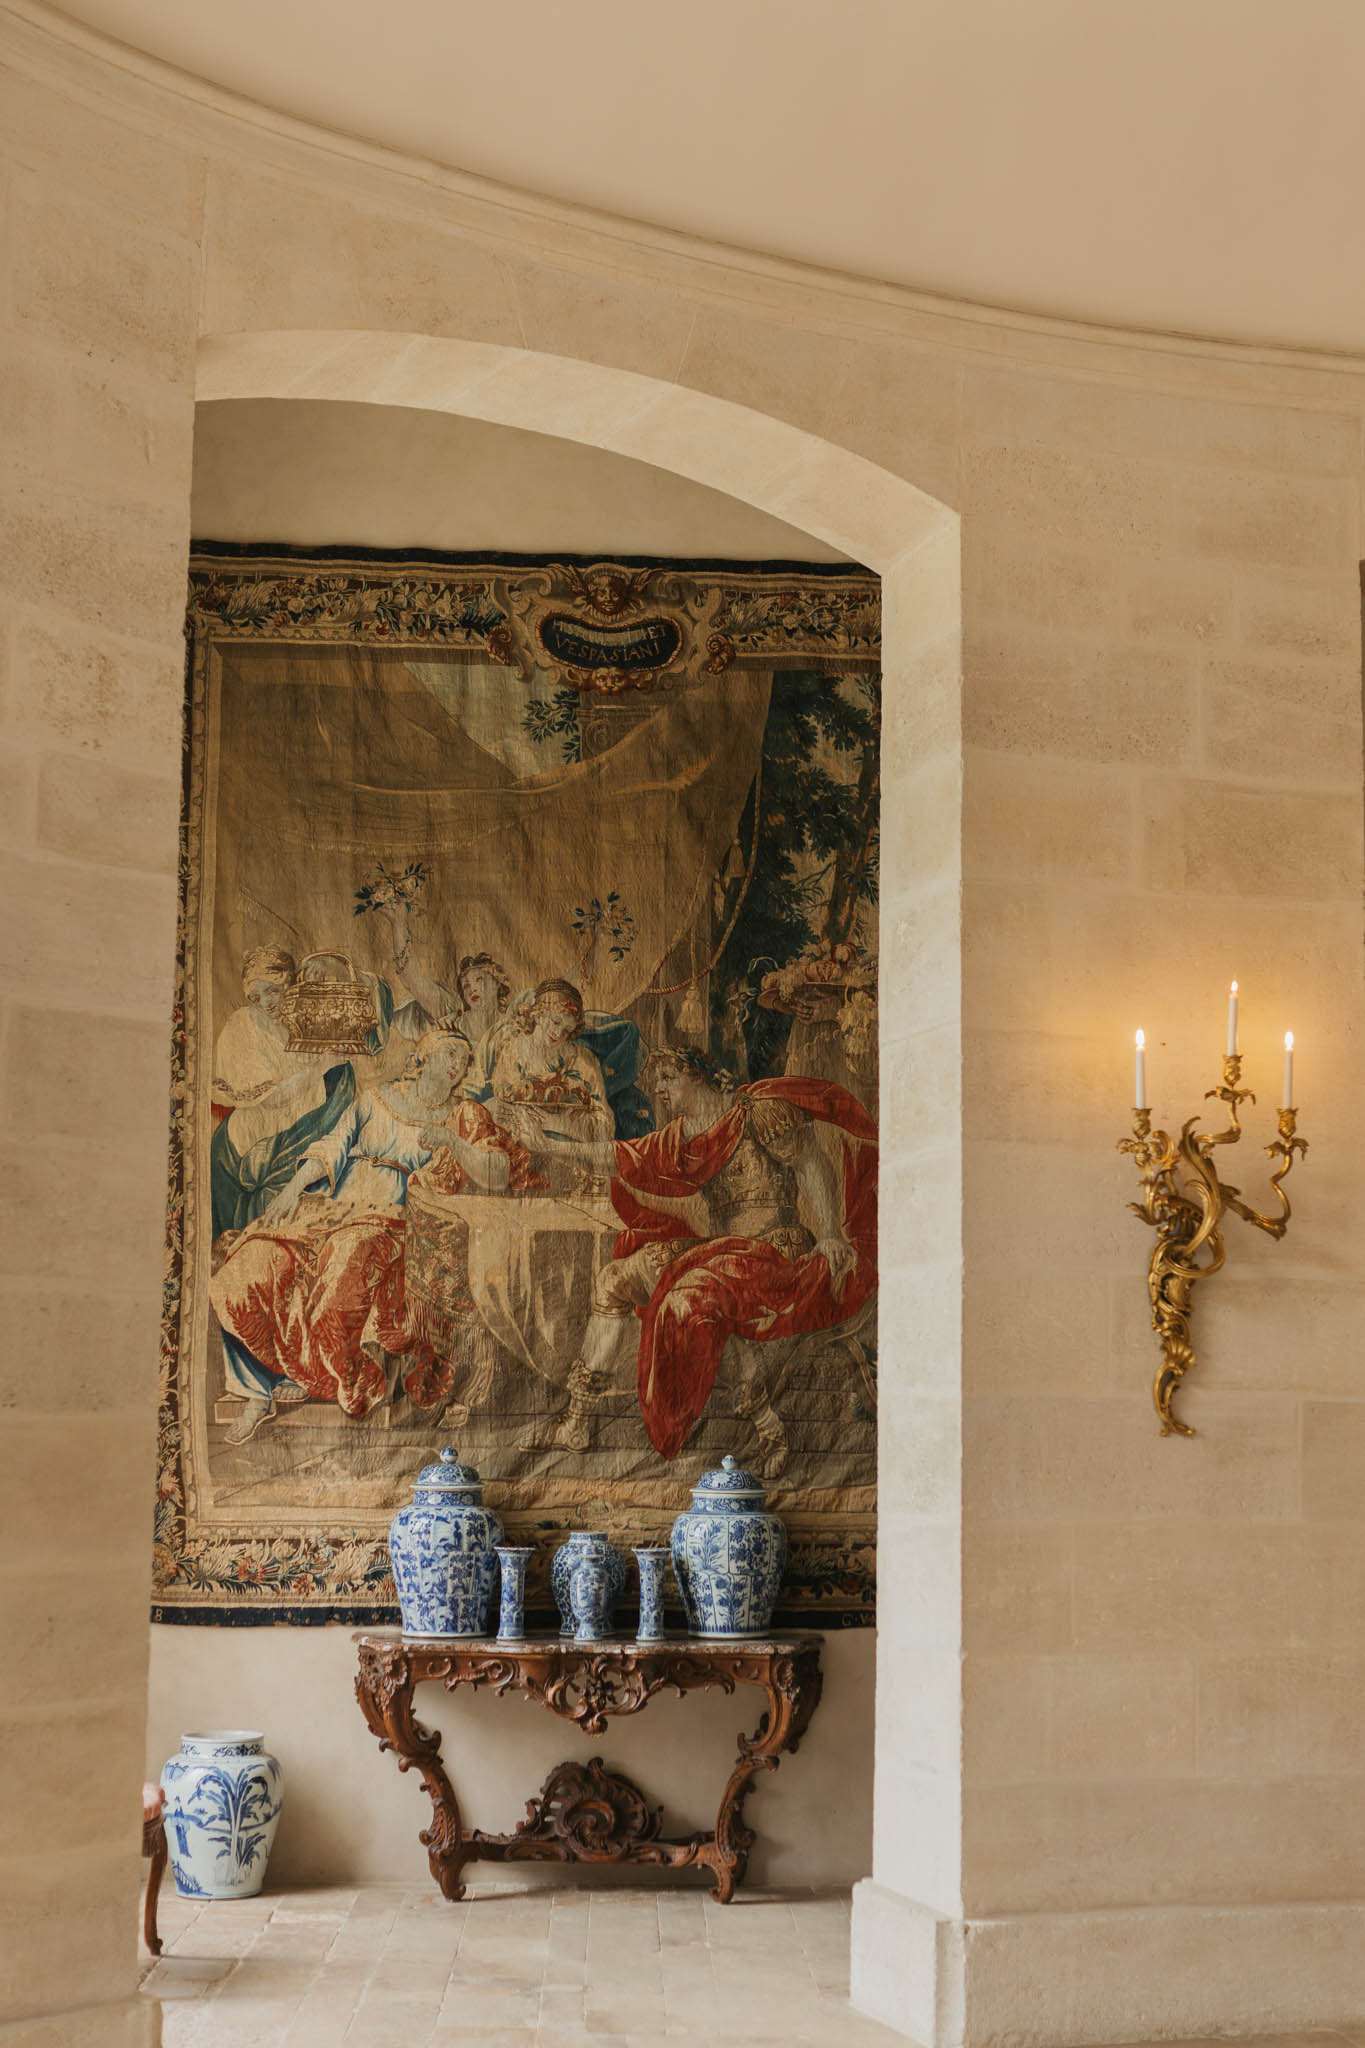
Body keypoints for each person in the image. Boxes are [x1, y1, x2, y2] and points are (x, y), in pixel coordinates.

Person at [542, 1046, 877, 1456]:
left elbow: (811, 1164)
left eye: (667, 1078)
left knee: (691, 1296)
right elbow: (619, 1158)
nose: (659, 1089)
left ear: (694, 1073)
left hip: (775, 1250)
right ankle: (577, 1421)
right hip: (719, 1253)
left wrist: (828, 1234)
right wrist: (547, 1145)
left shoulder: (756, 1110)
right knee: (614, 1280)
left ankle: (765, 1422)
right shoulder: (681, 1138)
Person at [209, 1028, 535, 1443]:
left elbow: (495, 1173)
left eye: (464, 1058)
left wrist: (451, 1143)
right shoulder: (376, 1099)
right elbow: (333, 1146)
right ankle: (299, 1370)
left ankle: (352, 1378)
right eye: (449, 1052)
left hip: (395, 1219)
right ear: (422, 1055)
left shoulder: (460, 1116)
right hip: (333, 1209)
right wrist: (293, 1189)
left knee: (345, 1268)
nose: (457, 1064)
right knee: (244, 1271)